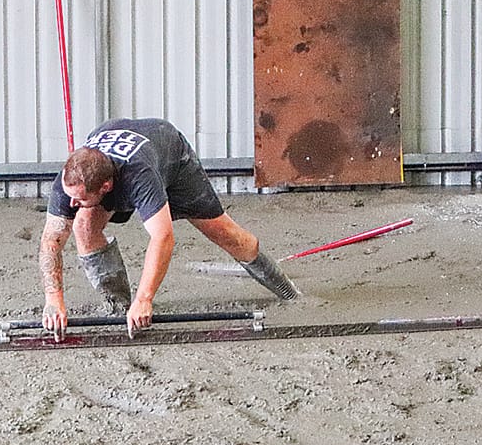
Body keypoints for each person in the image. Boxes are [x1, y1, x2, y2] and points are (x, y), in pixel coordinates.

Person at [40, 118, 297, 335]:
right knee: (83, 225)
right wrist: (54, 301)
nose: (72, 202)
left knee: (226, 235)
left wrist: (145, 299)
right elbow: (51, 240)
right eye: (70, 195)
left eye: (80, 198)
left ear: (105, 188)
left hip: (172, 160)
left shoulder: (138, 175)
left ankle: (289, 292)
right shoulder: (70, 181)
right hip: (120, 152)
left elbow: (162, 237)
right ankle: (119, 308)